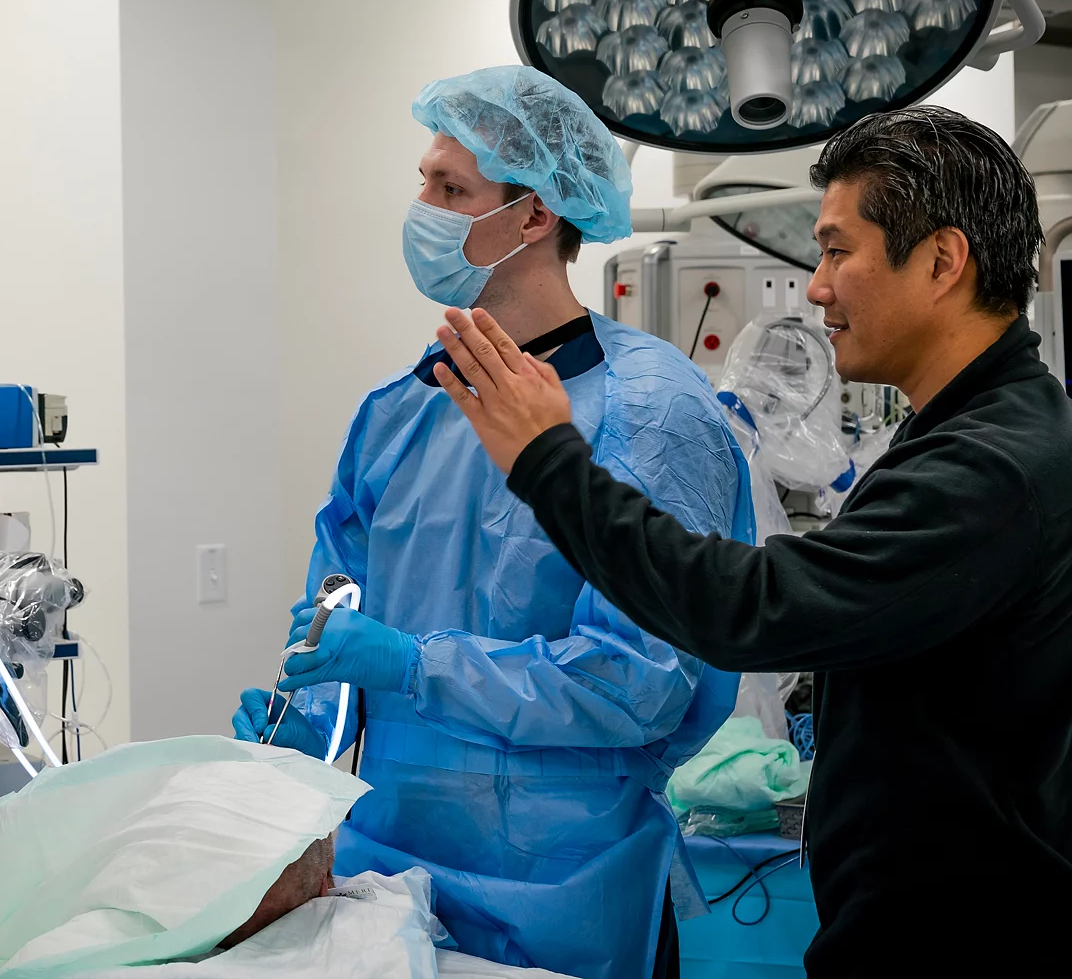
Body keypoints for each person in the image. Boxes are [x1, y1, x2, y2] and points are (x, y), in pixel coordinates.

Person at [429, 106, 1072, 977]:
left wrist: (547, 459)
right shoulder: (976, 430)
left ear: (941, 261)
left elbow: (750, 607)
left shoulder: (995, 467)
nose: (815, 288)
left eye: (837, 251)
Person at [233, 65, 756, 979]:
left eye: (451, 190)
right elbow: (335, 614)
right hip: (388, 879)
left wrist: (412, 664)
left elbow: (640, 683)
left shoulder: (652, 412)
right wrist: (303, 724)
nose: (422, 210)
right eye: (425, 183)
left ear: (534, 215)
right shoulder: (400, 412)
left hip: (567, 887)